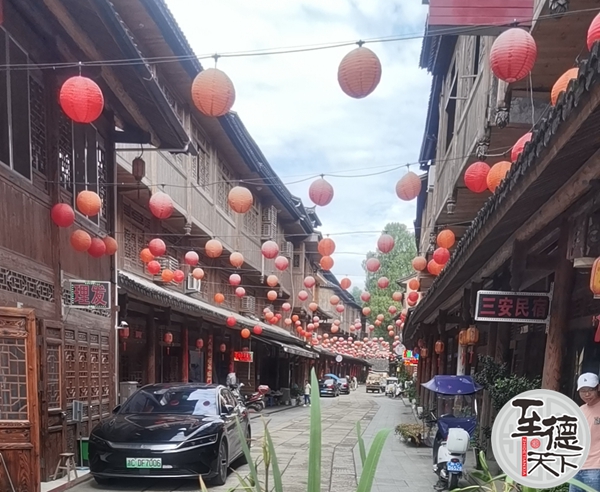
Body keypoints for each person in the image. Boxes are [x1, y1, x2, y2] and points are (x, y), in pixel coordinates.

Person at [570, 373, 600, 492]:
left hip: (596, 468)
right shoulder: (580, 410)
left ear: (598, 387)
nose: (587, 394)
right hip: (577, 467)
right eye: (583, 391)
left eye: (590, 390)